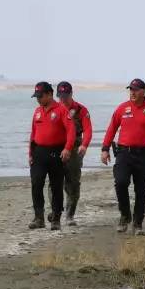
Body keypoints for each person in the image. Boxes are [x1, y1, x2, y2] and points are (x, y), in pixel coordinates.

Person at [101, 79, 145, 235]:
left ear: (143, 92)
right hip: (124, 153)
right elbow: (112, 128)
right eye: (130, 90)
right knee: (121, 182)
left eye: (135, 90)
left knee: (142, 190)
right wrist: (105, 148)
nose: (132, 93)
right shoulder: (122, 108)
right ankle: (125, 215)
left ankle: (138, 223)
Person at [28, 82, 76, 230]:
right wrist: (30, 154)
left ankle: (56, 218)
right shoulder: (37, 111)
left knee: (56, 186)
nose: (38, 99)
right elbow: (33, 134)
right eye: (36, 96)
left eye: (40, 96)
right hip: (39, 153)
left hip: (56, 153)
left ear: (49, 94)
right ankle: (39, 218)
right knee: (36, 184)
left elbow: (71, 131)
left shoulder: (61, 110)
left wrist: (67, 149)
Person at [48, 81, 92, 227]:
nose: (63, 99)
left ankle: (70, 215)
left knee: (72, 182)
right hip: (56, 147)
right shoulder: (53, 109)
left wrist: (84, 145)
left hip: (74, 149)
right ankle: (55, 211)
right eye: (60, 96)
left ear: (71, 94)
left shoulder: (81, 110)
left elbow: (88, 130)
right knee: (54, 182)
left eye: (65, 96)